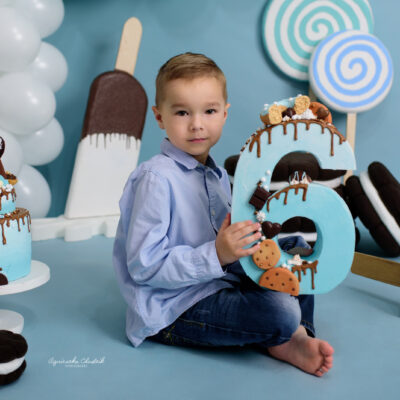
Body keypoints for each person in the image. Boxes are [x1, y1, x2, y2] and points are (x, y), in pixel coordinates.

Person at [113, 52, 334, 377]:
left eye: (209, 111)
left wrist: (250, 239)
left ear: (225, 114)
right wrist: (217, 254)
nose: (197, 124)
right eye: (182, 112)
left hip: (219, 281)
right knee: (281, 312)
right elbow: (144, 267)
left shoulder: (216, 175)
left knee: (298, 248)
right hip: (174, 306)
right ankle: (286, 332)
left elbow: (231, 243)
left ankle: (297, 335)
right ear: (160, 117)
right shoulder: (156, 179)